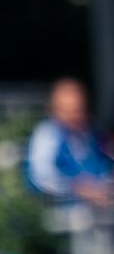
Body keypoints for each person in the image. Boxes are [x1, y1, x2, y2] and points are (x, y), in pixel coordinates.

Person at [26, 79, 114, 207]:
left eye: (79, 110)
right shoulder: (47, 134)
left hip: (96, 210)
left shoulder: (90, 134)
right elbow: (42, 176)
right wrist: (79, 188)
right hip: (62, 212)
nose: (76, 116)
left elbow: (103, 166)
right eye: (70, 111)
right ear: (56, 110)